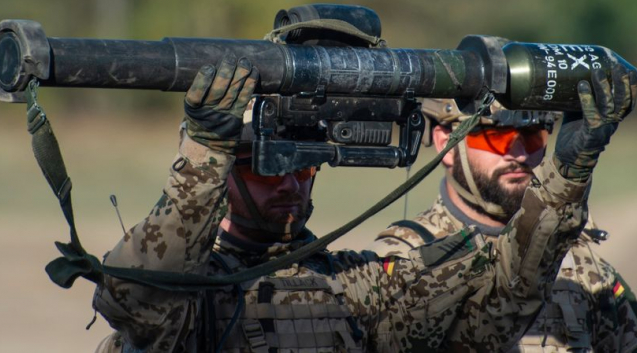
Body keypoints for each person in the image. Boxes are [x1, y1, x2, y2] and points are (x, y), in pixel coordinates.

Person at [93, 55, 599, 352]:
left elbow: (498, 311)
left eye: (304, 165)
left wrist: (566, 175)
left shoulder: (355, 287)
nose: (289, 183)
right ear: (224, 172)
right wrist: (205, 153)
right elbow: (135, 297)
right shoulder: (196, 300)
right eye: (267, 166)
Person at [369, 68, 637, 351]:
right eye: (496, 136)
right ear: (446, 145)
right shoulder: (405, 260)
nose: (519, 154)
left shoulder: (579, 265)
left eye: (532, 135)